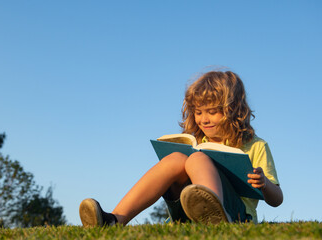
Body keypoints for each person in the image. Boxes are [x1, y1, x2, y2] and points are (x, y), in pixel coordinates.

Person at [79, 70, 283, 226]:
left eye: (212, 112)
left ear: (233, 110)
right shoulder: (198, 143)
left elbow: (277, 200)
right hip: (186, 214)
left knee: (197, 159)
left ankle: (216, 218)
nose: (204, 119)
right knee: (176, 159)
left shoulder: (255, 145)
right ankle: (115, 219)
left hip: (236, 216)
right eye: (198, 112)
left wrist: (264, 183)